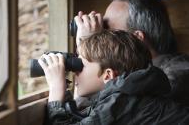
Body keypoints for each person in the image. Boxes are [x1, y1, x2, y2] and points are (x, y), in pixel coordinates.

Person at [38, 30, 189, 125]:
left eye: (80, 66)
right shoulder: (129, 94)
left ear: (108, 75)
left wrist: (56, 91)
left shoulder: (120, 102)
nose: (74, 72)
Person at [75, 0, 189, 106]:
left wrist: (88, 46)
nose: (102, 37)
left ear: (137, 39)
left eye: (109, 31)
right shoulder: (127, 75)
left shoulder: (177, 77)